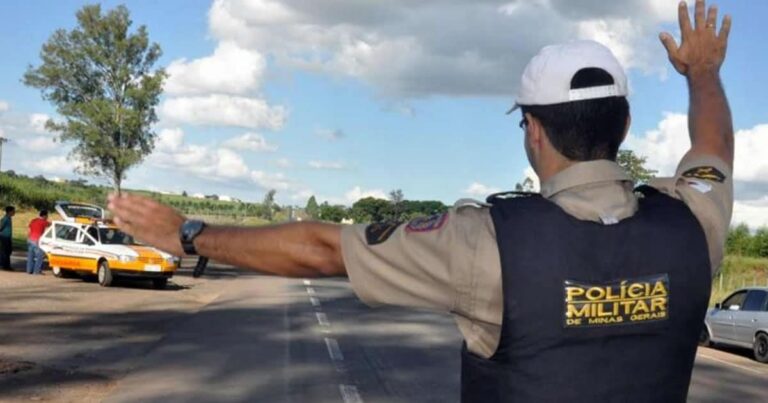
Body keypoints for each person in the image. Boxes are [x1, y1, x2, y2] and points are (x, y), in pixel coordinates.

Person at [108, 1, 733, 401]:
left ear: (534, 132)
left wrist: (186, 234)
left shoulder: (487, 241)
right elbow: (712, 147)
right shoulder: (693, 223)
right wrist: (701, 72)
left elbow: (323, 248)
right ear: (623, 126)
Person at [27, 209, 50, 275]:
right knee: (40, 256)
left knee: (30, 256)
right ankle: (36, 271)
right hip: (37, 240)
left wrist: (28, 238)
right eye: (47, 216)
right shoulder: (43, 222)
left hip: (30, 239)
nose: (47, 217)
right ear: (45, 216)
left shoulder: (33, 220)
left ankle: (29, 270)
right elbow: (50, 224)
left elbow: (29, 229)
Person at [0, 206, 16, 271]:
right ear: (9, 211)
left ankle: (6, 265)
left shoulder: (9, 218)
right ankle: (5, 266)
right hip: (4, 237)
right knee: (5, 252)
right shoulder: (5, 219)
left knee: (8, 251)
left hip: (8, 237)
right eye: (13, 211)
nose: (14, 212)